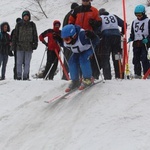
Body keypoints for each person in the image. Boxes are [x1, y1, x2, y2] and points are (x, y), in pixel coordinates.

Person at [68, 0, 101, 80]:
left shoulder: (94, 10)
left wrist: (94, 24)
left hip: (89, 37)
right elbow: (70, 22)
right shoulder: (76, 10)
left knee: (87, 57)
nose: (85, 1)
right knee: (76, 58)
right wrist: (72, 31)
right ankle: (78, 77)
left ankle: (92, 76)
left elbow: (99, 23)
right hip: (78, 37)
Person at [61, 24, 98, 92]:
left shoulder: (82, 36)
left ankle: (88, 79)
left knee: (83, 59)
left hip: (87, 49)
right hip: (77, 51)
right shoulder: (68, 41)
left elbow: (97, 41)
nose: (66, 41)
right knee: (72, 62)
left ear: (74, 36)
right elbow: (63, 44)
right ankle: (75, 80)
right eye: (64, 39)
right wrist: (58, 39)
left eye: (67, 39)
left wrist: (93, 36)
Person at [97, 8, 126, 80]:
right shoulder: (114, 16)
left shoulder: (100, 18)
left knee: (105, 57)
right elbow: (124, 24)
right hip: (117, 36)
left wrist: (99, 36)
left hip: (106, 37)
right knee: (117, 56)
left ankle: (107, 77)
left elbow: (98, 29)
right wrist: (122, 33)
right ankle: (119, 75)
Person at [11, 10, 38, 80]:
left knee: (27, 63)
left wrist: (35, 44)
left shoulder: (32, 25)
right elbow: (15, 36)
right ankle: (19, 76)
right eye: (24, 16)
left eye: (27, 16)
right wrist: (13, 46)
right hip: (20, 46)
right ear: (22, 17)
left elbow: (35, 35)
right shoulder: (19, 24)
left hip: (29, 47)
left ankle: (25, 76)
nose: (26, 17)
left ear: (29, 17)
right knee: (19, 62)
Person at [128, 5, 150, 79]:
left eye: (140, 15)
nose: (138, 17)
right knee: (136, 59)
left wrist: (148, 39)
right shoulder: (134, 22)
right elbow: (132, 32)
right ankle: (137, 73)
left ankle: (147, 73)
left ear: (144, 13)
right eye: (137, 15)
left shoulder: (148, 21)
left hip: (144, 43)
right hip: (136, 43)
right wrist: (131, 37)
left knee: (144, 58)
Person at [62, 2, 79, 80]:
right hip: (72, 39)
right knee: (73, 58)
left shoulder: (66, 15)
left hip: (65, 39)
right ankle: (74, 75)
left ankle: (65, 75)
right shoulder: (74, 15)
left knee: (66, 57)